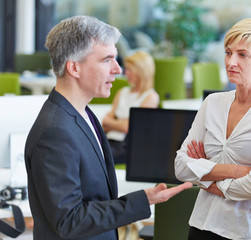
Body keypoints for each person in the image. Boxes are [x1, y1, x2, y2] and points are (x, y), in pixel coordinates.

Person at [24, 15, 192, 240]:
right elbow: (69, 221)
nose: (118, 69)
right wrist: (142, 200)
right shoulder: (55, 132)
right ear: (74, 67)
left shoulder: (83, 114)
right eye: (107, 60)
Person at [174, 18, 251, 240]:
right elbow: (181, 167)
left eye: (242, 55)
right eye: (228, 52)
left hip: (246, 231)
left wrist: (205, 176)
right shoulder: (212, 103)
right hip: (201, 225)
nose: (231, 62)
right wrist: (238, 171)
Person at [102, 51, 159, 164]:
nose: (125, 72)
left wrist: (115, 122)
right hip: (109, 141)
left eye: (129, 69)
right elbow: (105, 122)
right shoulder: (122, 92)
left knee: (94, 157)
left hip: (126, 146)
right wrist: (123, 123)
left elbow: (130, 128)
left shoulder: (151, 96)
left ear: (141, 72)